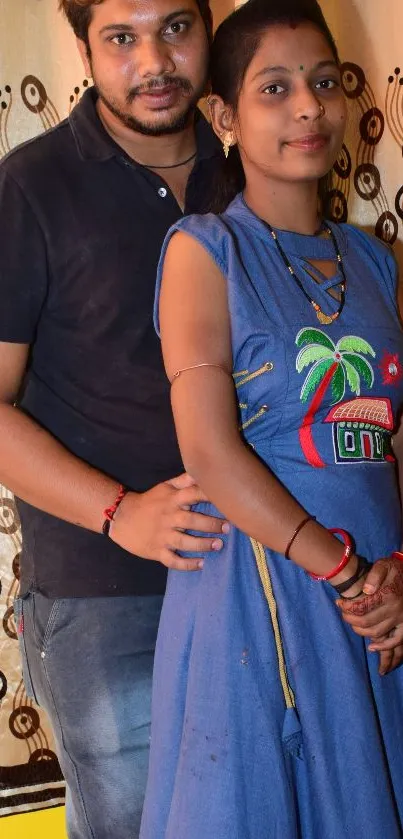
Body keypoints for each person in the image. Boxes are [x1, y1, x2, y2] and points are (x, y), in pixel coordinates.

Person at [140, 1, 403, 836]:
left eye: (322, 83)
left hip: (374, 605)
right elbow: (210, 452)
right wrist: (345, 571)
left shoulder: (373, 260)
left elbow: (391, 436)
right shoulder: (203, 251)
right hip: (256, 597)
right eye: (275, 88)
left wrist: (395, 569)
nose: (307, 108)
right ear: (224, 117)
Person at [0, 1, 230, 837]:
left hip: (252, 573)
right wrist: (119, 511)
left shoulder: (250, 169)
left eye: (175, 27)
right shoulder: (31, 184)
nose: (154, 60)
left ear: (215, 23)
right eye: (121, 38)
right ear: (84, 46)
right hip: (105, 599)